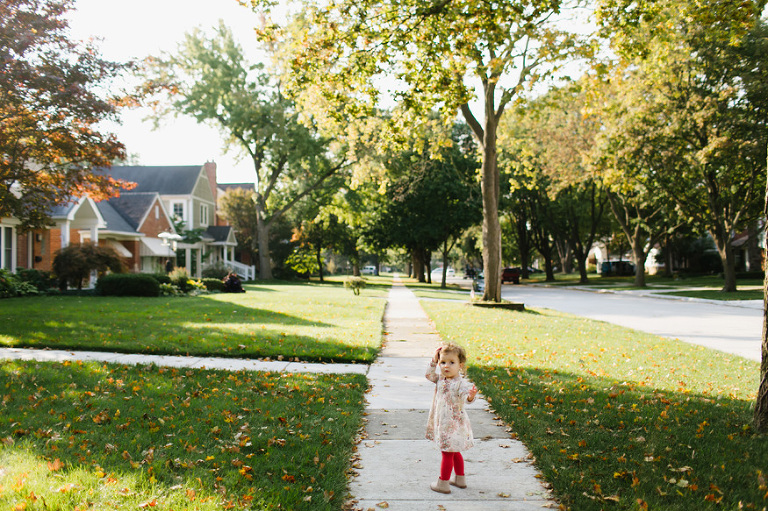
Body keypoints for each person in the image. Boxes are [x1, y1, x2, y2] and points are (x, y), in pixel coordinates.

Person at [425, 342, 478, 494]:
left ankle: (443, 483)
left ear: (460, 365)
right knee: (454, 451)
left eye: (452, 362)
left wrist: (470, 396)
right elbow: (428, 375)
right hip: (443, 421)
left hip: (453, 424)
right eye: (443, 362)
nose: (446, 366)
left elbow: (466, 397)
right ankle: (460, 479)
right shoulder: (441, 378)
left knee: (447, 452)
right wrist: (433, 360)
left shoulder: (460, 384)